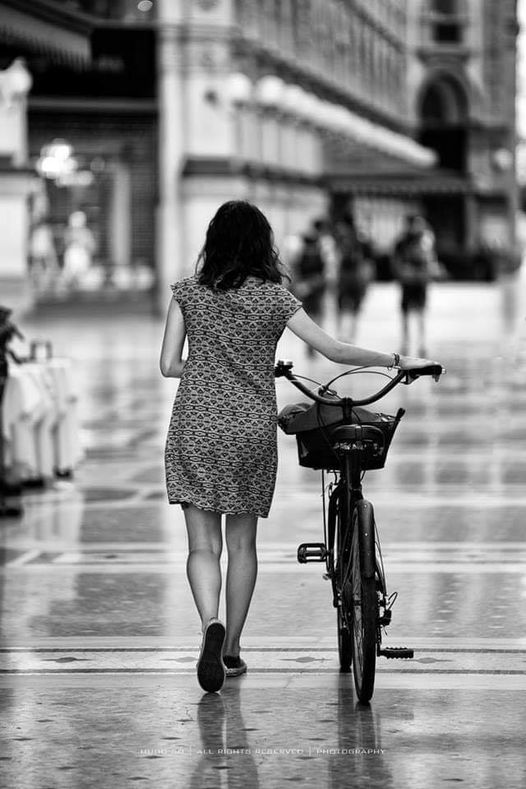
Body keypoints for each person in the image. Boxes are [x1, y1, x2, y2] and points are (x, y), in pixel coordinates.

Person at [160, 200, 438, 694]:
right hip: (248, 428)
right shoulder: (275, 297)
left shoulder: (187, 293)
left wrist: (210, 369)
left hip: (194, 425)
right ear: (261, 245)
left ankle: (208, 625)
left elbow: (169, 366)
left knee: (202, 546)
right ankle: (231, 649)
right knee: (241, 545)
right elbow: (334, 350)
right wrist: (399, 360)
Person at [392, 214, 437, 355]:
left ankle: (421, 342)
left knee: (421, 312)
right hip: (408, 281)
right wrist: (401, 273)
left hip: (420, 281)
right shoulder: (402, 242)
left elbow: (430, 259)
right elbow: (396, 261)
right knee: (405, 312)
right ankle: (406, 341)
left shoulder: (426, 240)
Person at [334, 212, 375, 342]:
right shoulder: (359, 237)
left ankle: (344, 333)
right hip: (354, 274)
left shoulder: (344, 237)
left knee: (344, 305)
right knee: (352, 306)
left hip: (348, 275)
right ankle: (349, 334)